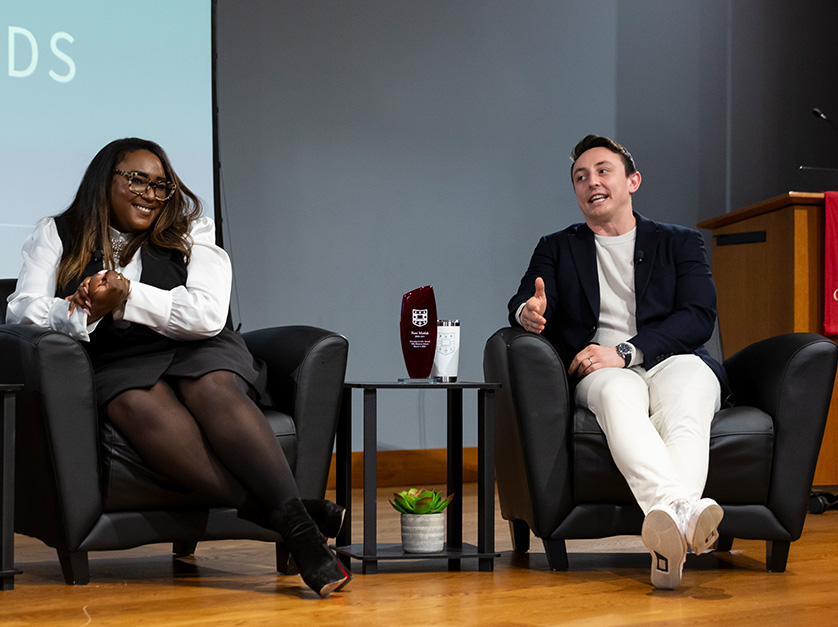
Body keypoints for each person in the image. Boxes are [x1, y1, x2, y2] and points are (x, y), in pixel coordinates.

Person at [5, 138, 351, 597]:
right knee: (133, 403)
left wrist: (127, 296)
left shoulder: (192, 230)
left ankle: (298, 529)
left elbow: (207, 313)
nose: (150, 193)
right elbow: (21, 309)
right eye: (136, 179)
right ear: (103, 179)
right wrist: (79, 313)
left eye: (160, 185)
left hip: (196, 347)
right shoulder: (58, 231)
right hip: (117, 359)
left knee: (212, 388)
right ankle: (298, 520)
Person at [507, 134, 726, 590]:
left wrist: (627, 351)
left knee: (689, 400)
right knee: (614, 393)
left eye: (603, 171)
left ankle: (670, 544)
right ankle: (683, 513)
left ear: (633, 181)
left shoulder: (680, 242)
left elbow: (698, 316)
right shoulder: (557, 246)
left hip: (670, 357)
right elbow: (524, 298)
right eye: (580, 177)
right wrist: (526, 313)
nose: (592, 182)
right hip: (598, 368)